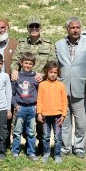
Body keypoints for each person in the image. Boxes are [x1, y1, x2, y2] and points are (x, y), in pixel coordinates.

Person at [13, 17, 56, 153]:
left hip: (42, 85)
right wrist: (14, 71)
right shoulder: (21, 44)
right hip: (25, 87)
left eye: (36, 26)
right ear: (28, 28)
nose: (34, 29)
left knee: (41, 116)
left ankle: (42, 145)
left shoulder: (48, 44)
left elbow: (52, 63)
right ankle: (27, 144)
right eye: (31, 26)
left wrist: (43, 74)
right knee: (25, 117)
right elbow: (15, 60)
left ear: (40, 28)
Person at [55, 17, 86, 158]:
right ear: (67, 29)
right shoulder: (59, 44)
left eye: (77, 27)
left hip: (81, 89)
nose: (75, 30)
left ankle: (79, 148)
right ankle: (65, 148)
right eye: (72, 28)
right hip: (62, 89)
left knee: (81, 122)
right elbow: (55, 66)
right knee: (64, 121)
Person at [37, 61, 68, 163]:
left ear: (58, 73)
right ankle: (46, 154)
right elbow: (39, 100)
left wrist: (63, 115)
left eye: (55, 72)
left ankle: (57, 155)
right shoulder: (42, 85)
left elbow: (65, 101)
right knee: (45, 137)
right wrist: (39, 113)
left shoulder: (61, 85)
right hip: (45, 116)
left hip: (57, 117)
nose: (53, 74)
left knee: (58, 138)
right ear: (47, 72)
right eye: (51, 72)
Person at [12, 52, 39, 159]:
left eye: (30, 64)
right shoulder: (17, 76)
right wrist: (15, 105)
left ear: (34, 65)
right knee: (17, 131)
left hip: (32, 108)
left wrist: (37, 106)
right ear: (21, 63)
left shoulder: (36, 78)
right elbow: (12, 93)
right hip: (20, 107)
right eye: (26, 63)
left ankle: (31, 152)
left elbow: (39, 93)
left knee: (31, 132)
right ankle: (15, 151)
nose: (28, 65)